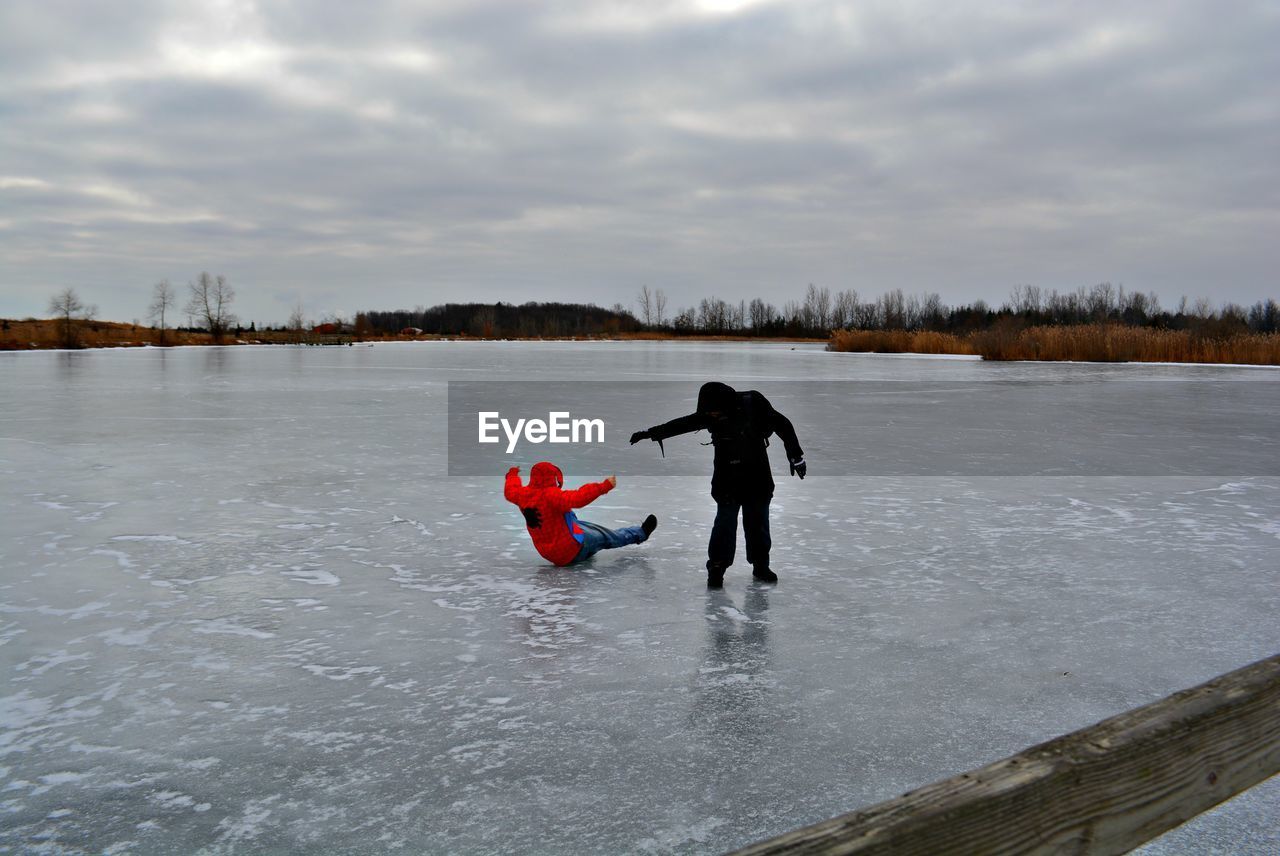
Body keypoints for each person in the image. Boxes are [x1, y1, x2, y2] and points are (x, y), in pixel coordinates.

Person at [630, 381, 804, 588]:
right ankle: (716, 568)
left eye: (714, 412)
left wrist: (796, 456)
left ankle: (760, 565)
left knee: (758, 522)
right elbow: (685, 424)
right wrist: (651, 433)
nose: (711, 416)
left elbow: (783, 424)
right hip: (726, 475)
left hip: (757, 474)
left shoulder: (753, 403)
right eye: (708, 413)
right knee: (724, 523)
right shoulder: (710, 410)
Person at [504, 461, 657, 566]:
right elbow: (577, 498)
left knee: (569, 517)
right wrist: (604, 486)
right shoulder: (551, 495)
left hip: (550, 554)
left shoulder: (522, 495)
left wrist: (512, 473)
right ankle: (641, 533)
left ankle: (588, 547)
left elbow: (510, 489)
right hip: (572, 549)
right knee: (608, 536)